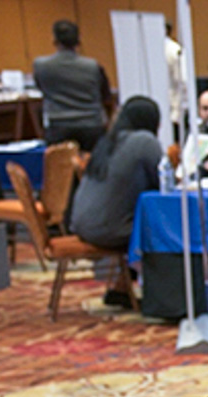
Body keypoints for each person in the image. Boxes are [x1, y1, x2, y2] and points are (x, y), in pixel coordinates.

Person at [68, 95, 162, 306]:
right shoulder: (144, 141)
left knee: (140, 222)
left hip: (82, 223)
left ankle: (122, 287)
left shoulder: (108, 141)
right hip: (108, 229)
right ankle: (161, 295)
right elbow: (164, 183)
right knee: (164, 229)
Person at [34, 20, 112, 152]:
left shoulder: (41, 66)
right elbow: (106, 95)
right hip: (92, 126)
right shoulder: (93, 66)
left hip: (58, 126)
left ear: (54, 39)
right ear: (79, 39)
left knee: (61, 170)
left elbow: (41, 88)